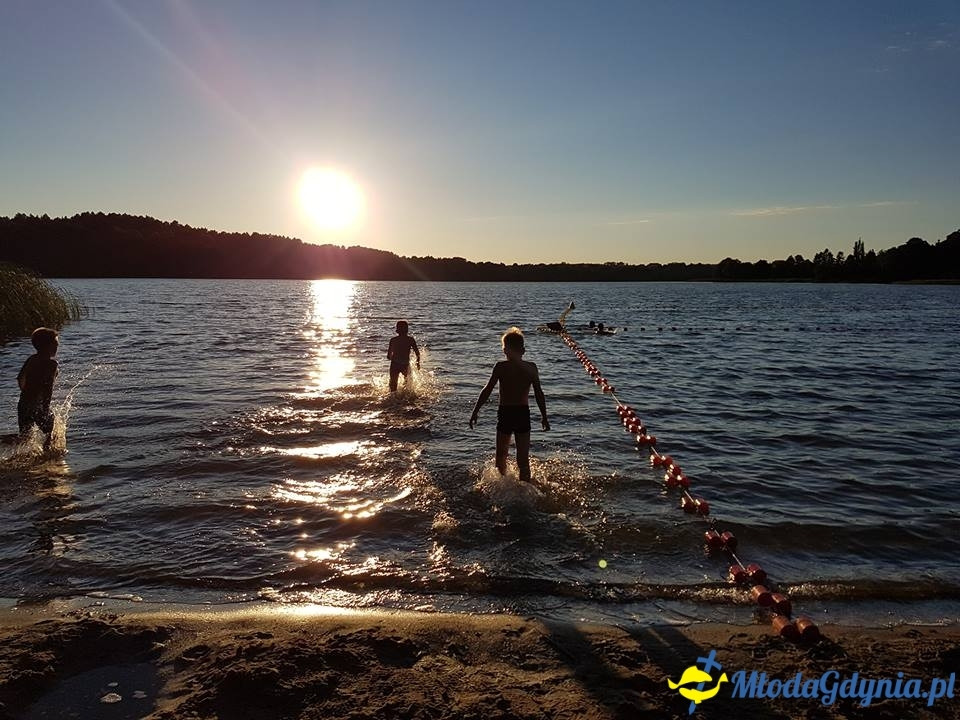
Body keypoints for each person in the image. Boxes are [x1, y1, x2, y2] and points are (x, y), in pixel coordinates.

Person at [469, 327, 549, 483]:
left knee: (502, 457)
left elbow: (487, 390)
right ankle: (524, 491)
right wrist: (544, 417)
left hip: (508, 413)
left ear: (504, 350)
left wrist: (475, 411)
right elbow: (539, 394)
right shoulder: (530, 368)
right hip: (520, 414)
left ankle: (503, 489)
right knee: (520, 459)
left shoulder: (502, 367)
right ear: (523, 350)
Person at [17, 327, 59, 446]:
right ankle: (48, 455)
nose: (58, 346)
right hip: (37, 405)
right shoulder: (52, 364)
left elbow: (20, 378)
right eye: (55, 343)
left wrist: (26, 393)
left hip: (23, 403)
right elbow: (48, 387)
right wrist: (46, 406)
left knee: (25, 437)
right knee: (49, 430)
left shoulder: (32, 359)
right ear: (48, 346)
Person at [386, 320, 420, 392]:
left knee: (393, 384)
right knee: (408, 384)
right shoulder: (410, 340)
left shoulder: (393, 340)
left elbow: (388, 356)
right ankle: (405, 398)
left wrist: (394, 358)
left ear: (397, 330)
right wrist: (418, 363)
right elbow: (417, 353)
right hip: (405, 364)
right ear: (407, 329)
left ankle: (392, 399)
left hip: (394, 364)